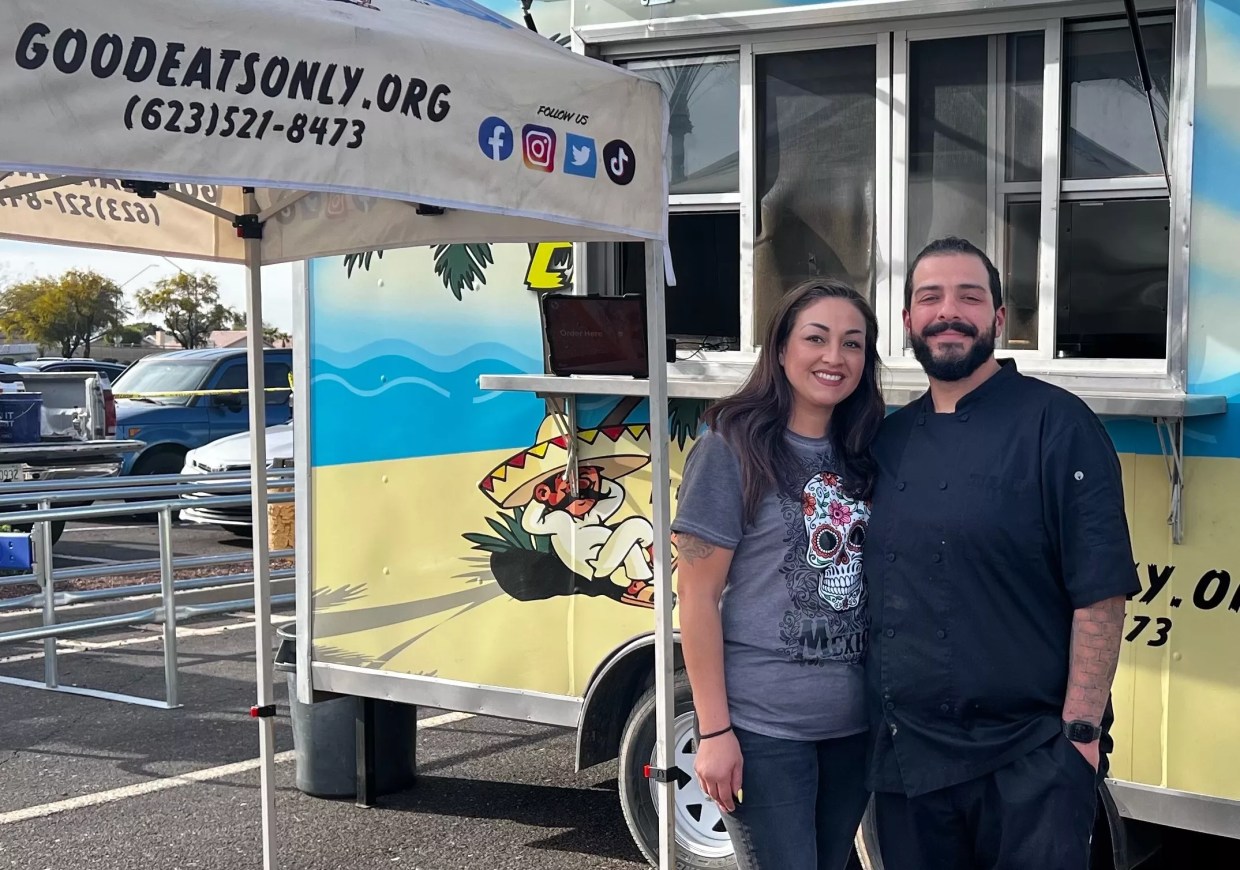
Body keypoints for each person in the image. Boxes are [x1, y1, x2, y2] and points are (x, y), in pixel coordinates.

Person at [863, 237, 1139, 869]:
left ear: (998, 318)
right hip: (912, 767)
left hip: (1031, 761)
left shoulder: (1059, 425)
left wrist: (1080, 736)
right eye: (929, 297)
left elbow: (1100, 593)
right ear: (908, 321)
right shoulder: (890, 438)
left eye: (969, 296)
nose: (948, 311)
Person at [671, 279, 886, 870]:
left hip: (853, 727)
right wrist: (714, 734)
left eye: (853, 343)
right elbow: (697, 597)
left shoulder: (865, 450)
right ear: (781, 348)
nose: (833, 358)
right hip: (764, 730)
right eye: (815, 338)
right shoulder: (729, 447)